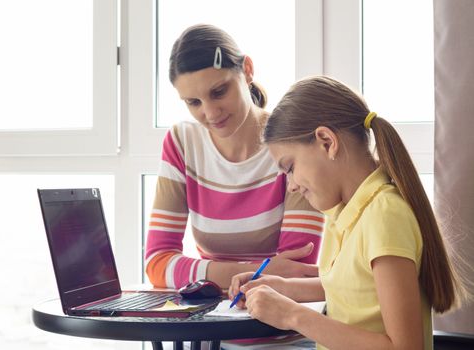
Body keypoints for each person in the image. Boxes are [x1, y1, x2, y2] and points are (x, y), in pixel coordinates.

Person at [229, 76, 466, 350]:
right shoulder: (344, 214)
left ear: (327, 142)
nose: (291, 185)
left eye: (290, 167)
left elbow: (405, 347)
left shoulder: (384, 215)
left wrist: (292, 314)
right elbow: (354, 289)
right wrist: (282, 286)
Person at [144, 24, 324, 293]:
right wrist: (258, 269)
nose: (210, 112)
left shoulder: (294, 140)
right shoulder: (182, 142)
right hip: (207, 327)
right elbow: (157, 264)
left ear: (247, 70)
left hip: (283, 327)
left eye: (219, 92)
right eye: (193, 102)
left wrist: (207, 275)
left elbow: (296, 269)